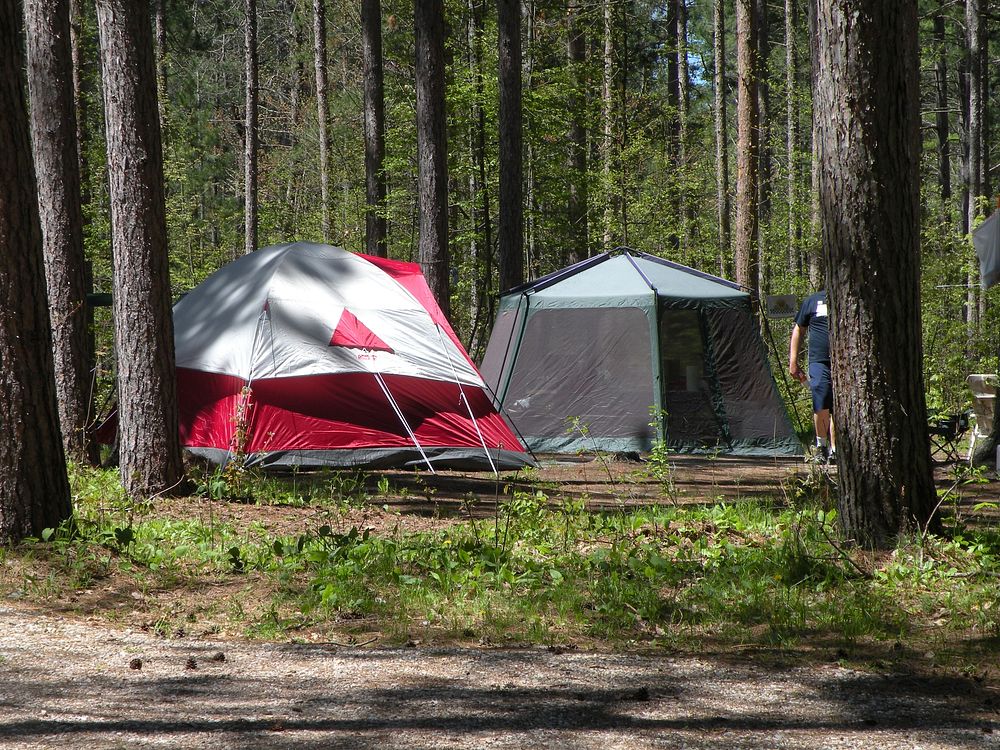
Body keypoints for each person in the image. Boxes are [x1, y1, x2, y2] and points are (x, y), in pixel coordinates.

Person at [789, 290, 835, 463]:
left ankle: (837, 450)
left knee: (841, 405)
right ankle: (821, 447)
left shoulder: (850, 295)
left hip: (846, 360)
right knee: (821, 398)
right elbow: (799, 329)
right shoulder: (812, 301)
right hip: (819, 362)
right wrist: (793, 361)